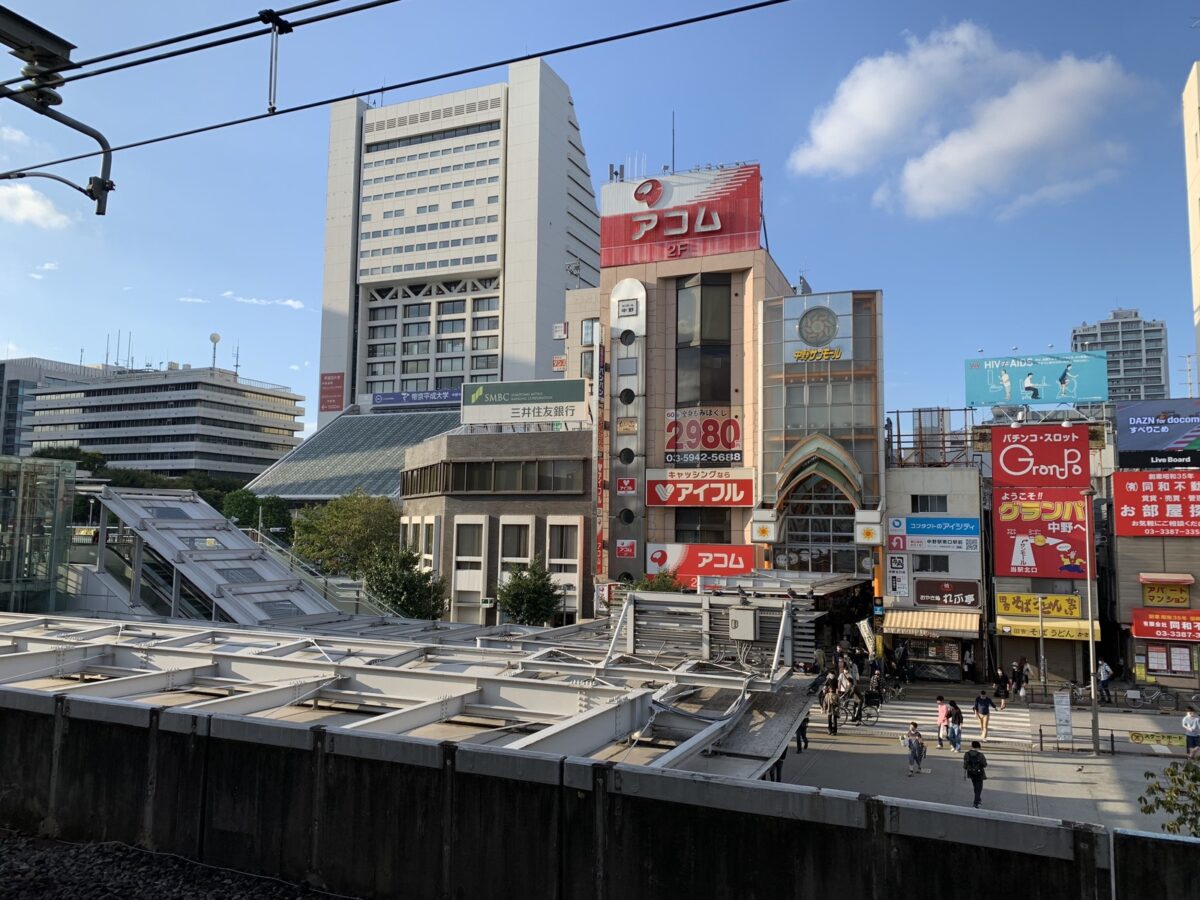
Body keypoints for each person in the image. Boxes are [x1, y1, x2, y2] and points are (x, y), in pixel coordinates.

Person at [963, 741, 988, 808]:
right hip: (979, 773)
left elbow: (965, 765)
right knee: (979, 788)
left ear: (971, 746)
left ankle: (978, 799)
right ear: (978, 747)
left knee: (975, 786)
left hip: (971, 773)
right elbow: (985, 764)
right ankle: (976, 802)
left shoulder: (967, 754)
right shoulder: (980, 755)